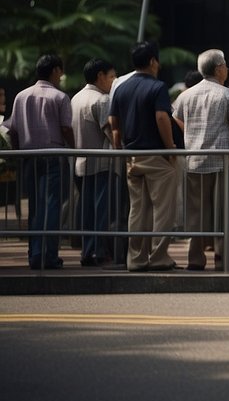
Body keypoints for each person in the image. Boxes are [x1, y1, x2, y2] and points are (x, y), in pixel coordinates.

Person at [173, 49, 229, 271]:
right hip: (222, 161)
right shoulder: (228, 95)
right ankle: (224, 259)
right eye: (225, 65)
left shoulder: (186, 95)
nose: (227, 68)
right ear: (218, 69)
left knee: (196, 214)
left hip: (194, 160)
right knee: (223, 214)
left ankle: (195, 259)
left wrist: (192, 135)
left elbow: (175, 117)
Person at [108, 42, 179, 272]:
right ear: (152, 61)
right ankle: (159, 258)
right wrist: (170, 149)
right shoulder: (157, 87)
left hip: (132, 156)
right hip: (156, 155)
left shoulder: (121, 87)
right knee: (163, 209)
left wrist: (119, 148)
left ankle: (136, 259)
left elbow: (114, 123)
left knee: (137, 210)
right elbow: (161, 118)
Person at [6, 54, 74, 269]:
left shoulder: (21, 96)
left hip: (29, 157)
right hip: (53, 155)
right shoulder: (60, 97)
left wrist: (18, 151)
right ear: (55, 70)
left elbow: (13, 130)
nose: (61, 76)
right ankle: (49, 256)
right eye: (60, 71)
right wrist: (74, 147)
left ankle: (34, 253)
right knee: (52, 205)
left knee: (35, 206)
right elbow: (65, 128)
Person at [72, 58, 117, 267]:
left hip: (81, 163)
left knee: (87, 211)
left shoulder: (76, 98)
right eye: (111, 76)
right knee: (101, 211)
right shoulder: (102, 100)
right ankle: (98, 252)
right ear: (100, 76)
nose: (113, 81)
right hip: (101, 163)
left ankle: (87, 251)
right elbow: (110, 132)